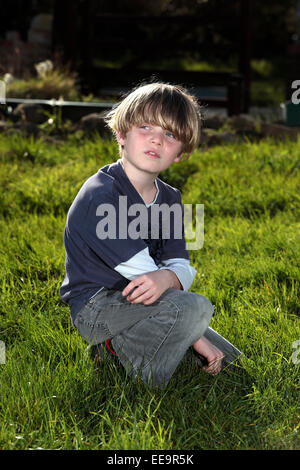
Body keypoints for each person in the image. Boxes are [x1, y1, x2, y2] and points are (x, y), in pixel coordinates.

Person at [60, 82, 226, 388]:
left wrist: (169, 279)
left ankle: (137, 344)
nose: (156, 139)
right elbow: (145, 274)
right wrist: (196, 336)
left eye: (170, 134)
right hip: (97, 306)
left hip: (141, 298)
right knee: (195, 310)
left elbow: (182, 267)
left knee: (227, 358)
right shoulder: (101, 196)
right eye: (145, 126)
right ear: (122, 135)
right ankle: (124, 362)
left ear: (180, 153)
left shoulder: (170, 198)